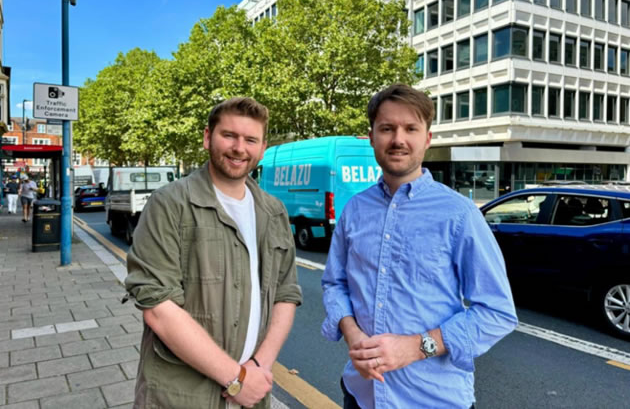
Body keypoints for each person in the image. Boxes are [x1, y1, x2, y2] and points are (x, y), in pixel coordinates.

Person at [321, 84, 518, 409]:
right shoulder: (354, 210)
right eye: (387, 128)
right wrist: (353, 334)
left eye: (410, 128)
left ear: (427, 138)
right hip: (361, 395)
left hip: (434, 400)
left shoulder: (459, 214)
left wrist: (416, 347)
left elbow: (497, 312)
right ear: (372, 136)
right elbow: (334, 283)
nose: (398, 139)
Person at [125, 97, 302, 409]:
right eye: (229, 136)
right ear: (208, 137)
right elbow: (157, 306)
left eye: (251, 140)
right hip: (181, 396)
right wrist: (236, 379)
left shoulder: (274, 212)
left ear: (262, 149)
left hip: (251, 394)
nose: (239, 148)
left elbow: (285, 294)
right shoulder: (169, 204)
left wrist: (258, 368)